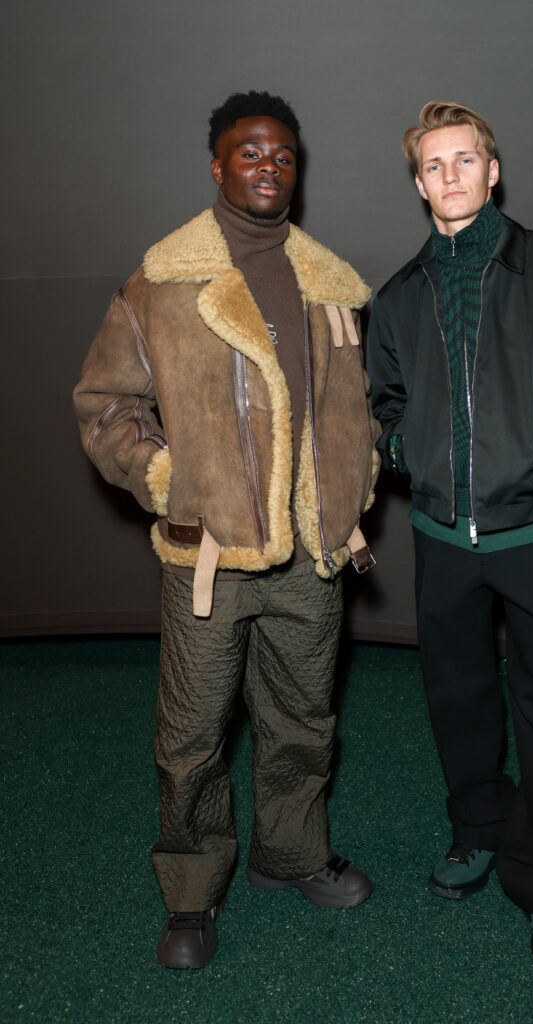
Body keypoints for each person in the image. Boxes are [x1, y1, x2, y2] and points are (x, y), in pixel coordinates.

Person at [74, 91, 380, 970]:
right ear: (217, 165)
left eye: (283, 154)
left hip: (310, 556)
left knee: (302, 722)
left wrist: (352, 488)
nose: (268, 166)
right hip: (209, 555)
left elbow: (349, 411)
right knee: (191, 736)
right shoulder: (161, 285)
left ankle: (290, 857)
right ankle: (191, 889)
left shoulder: (330, 283)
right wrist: (173, 482)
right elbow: (104, 408)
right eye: (250, 152)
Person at [366, 100, 533, 975]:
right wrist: (410, 450)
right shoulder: (400, 294)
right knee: (456, 695)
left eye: (463, 159)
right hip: (444, 534)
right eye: (432, 165)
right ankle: (477, 824)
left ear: (492, 170)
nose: (448, 175)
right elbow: (383, 409)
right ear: (418, 184)